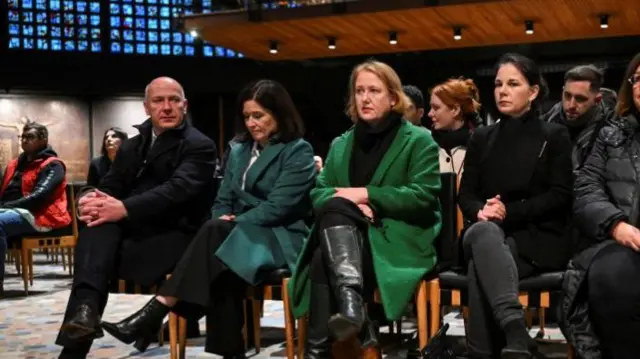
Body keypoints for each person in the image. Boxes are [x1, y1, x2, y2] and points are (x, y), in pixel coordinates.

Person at [100, 79, 316, 359]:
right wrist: (225, 219)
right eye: (247, 116)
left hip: (280, 235)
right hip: (237, 233)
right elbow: (222, 199)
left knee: (217, 238)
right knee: (220, 252)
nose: (251, 123)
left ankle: (159, 309)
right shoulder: (238, 149)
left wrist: (233, 220)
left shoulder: (298, 150)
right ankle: (226, 348)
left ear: (279, 114)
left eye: (259, 116)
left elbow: (278, 208)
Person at [288, 60, 442, 358]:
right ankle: (351, 311)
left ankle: (322, 346)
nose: (365, 98)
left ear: (394, 97)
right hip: (347, 239)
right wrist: (353, 209)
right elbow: (318, 194)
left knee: (323, 255)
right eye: (359, 91)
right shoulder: (341, 144)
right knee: (330, 224)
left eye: (374, 90)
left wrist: (365, 195)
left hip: (397, 238)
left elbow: (423, 196)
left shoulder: (419, 140)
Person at [56, 77, 217, 358]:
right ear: (146, 107)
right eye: (158, 101)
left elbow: (175, 191)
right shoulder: (132, 145)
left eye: (173, 100)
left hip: (177, 237)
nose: (166, 107)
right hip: (135, 233)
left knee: (99, 250)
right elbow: (110, 185)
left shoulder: (199, 145)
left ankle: (74, 344)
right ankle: (84, 315)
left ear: (184, 105)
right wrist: (91, 199)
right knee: (96, 227)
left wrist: (123, 208)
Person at [458, 53, 573, 359]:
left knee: (478, 267)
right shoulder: (481, 137)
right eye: (497, 84)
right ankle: (515, 330)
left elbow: (560, 195)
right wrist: (481, 211)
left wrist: (509, 211)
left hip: (533, 237)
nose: (502, 91)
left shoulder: (554, 135)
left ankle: (482, 352)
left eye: (512, 84)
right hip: (484, 230)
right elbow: (466, 194)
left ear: (533, 92)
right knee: (484, 234)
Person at [561, 52, 640, 359]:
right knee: (611, 277)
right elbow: (586, 189)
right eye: (637, 79)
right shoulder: (611, 135)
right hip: (618, 241)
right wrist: (616, 225)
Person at [0, 121, 71, 296]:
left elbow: (39, 197)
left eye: (30, 137)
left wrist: (7, 206)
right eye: (22, 137)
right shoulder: (14, 165)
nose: (24, 141)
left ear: (43, 140)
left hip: (40, 215)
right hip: (12, 211)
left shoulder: (53, 165)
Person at [542, 65, 615, 172]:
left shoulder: (613, 131)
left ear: (597, 100)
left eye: (580, 99)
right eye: (567, 96)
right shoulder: (545, 123)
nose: (571, 105)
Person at [427, 77, 482, 177]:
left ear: (455, 110)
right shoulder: (426, 145)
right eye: (431, 107)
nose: (430, 113)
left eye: (436, 108)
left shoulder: (481, 145)